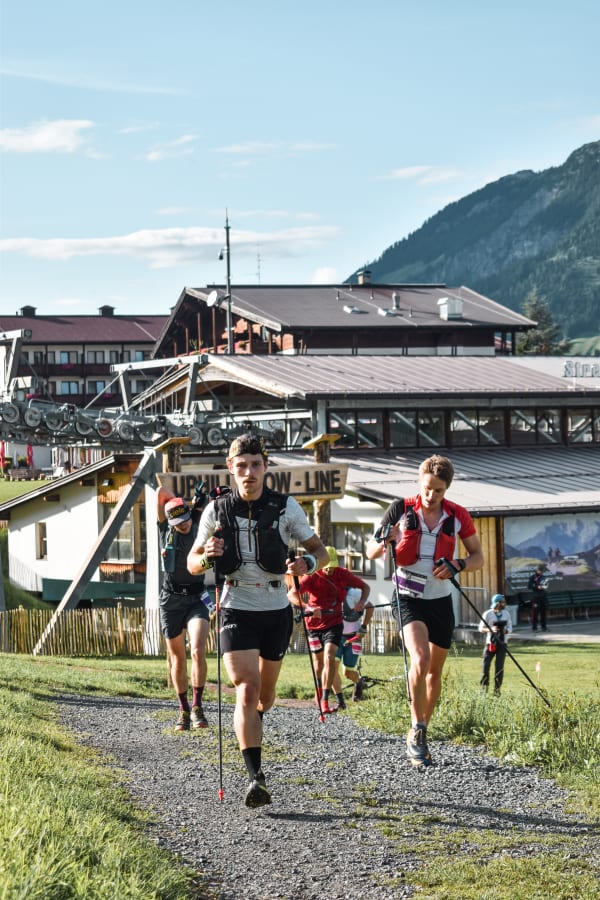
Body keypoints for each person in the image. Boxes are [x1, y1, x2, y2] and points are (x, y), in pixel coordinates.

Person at [187, 433, 328, 809]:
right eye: (241, 466)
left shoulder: (285, 508)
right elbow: (192, 561)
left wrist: (307, 564)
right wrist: (206, 558)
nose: (248, 472)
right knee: (246, 690)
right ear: (231, 468)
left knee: (265, 696)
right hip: (235, 606)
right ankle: (256, 778)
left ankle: (254, 719)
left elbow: (321, 551)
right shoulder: (216, 511)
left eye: (255, 465)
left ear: (265, 467)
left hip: (276, 609)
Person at [366, 454, 484, 768]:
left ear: (447, 490)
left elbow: (478, 558)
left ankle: (421, 729)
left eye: (439, 491)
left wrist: (458, 564)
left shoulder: (458, 515)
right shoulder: (400, 509)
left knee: (434, 673)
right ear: (420, 482)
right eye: (428, 488)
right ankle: (417, 728)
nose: (431, 496)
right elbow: (372, 550)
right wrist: (385, 541)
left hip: (441, 600)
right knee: (420, 659)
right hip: (407, 597)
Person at [288, 545, 371, 714]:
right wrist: (307, 607)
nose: (329, 570)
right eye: (326, 567)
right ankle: (319, 692)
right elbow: (291, 595)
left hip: (334, 623)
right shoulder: (312, 576)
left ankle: (325, 699)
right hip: (313, 624)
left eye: (332, 567)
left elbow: (365, 587)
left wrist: (362, 602)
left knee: (330, 657)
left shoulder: (342, 574)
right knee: (318, 664)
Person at [157, 485, 211, 732]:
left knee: (198, 649)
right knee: (178, 658)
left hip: (197, 598)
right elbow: (160, 491)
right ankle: (183, 710)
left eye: (185, 519)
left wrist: (187, 504)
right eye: (178, 522)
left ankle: (198, 706)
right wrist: (171, 503)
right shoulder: (163, 530)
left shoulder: (197, 521)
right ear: (170, 522)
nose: (184, 525)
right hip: (171, 601)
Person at [331, 582, 374, 708]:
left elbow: (370, 607)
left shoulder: (355, 593)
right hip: (336, 636)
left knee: (348, 673)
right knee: (332, 667)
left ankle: (359, 682)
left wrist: (364, 627)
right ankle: (340, 701)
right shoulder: (328, 594)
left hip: (353, 637)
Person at [478, 593, 512, 695]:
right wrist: (491, 629)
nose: (504, 603)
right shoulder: (487, 614)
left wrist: (505, 630)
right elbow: (480, 628)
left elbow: (510, 627)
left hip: (502, 643)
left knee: (499, 667)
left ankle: (497, 690)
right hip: (490, 644)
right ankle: (484, 689)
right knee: (485, 665)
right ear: (497, 603)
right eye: (502, 602)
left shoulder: (506, 614)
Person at [528, 566, 548, 632]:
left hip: (543, 596)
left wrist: (544, 586)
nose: (541, 572)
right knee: (535, 613)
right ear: (537, 570)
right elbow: (529, 586)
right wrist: (537, 587)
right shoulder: (532, 577)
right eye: (540, 570)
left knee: (543, 612)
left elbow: (546, 585)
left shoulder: (544, 577)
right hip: (536, 597)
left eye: (542, 571)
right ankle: (534, 628)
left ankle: (544, 627)